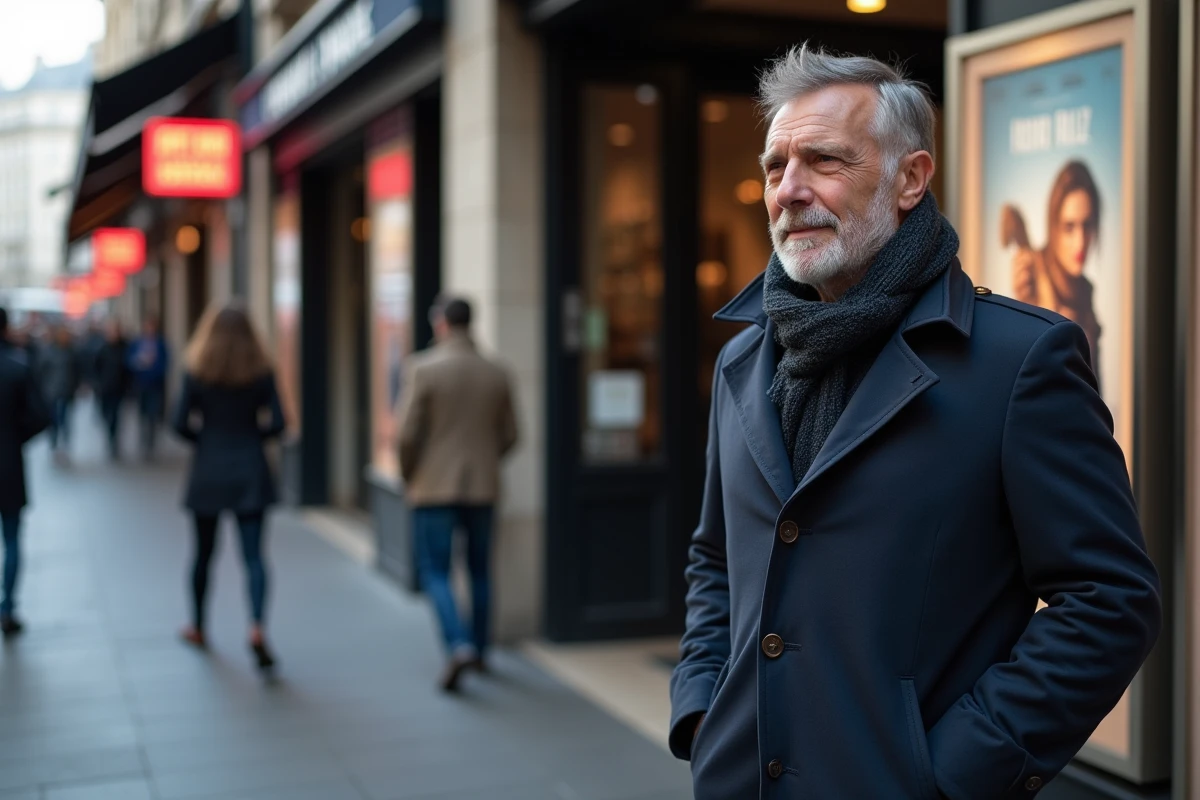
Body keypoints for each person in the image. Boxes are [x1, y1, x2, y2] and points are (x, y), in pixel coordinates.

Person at [668, 46, 1161, 799]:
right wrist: (702, 709)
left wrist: (954, 770)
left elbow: (1109, 601)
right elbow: (716, 560)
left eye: (824, 160)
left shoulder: (1020, 361)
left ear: (910, 178)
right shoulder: (742, 362)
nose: (788, 191)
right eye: (774, 168)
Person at [395, 297, 518, 692]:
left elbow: (406, 435)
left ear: (441, 324)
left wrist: (409, 474)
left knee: (436, 571)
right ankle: (480, 650)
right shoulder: (497, 371)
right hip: (483, 486)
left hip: (433, 487)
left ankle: (458, 645)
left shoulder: (423, 368)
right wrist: (486, 460)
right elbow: (512, 433)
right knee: (480, 570)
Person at [172, 305, 284, 673]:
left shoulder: (198, 369)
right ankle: (256, 628)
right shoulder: (261, 371)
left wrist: (206, 439)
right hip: (251, 467)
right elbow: (280, 423)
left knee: (203, 555)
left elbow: (178, 424)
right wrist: (253, 436)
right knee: (254, 557)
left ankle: (199, 626)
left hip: (209, 469)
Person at [1002, 160, 1103, 383]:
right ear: (1053, 226)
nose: (1080, 242)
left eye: (1087, 225)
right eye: (1069, 227)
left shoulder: (1085, 289)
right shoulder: (1034, 275)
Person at [0, 307, 50, 636]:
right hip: (8, 464)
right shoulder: (17, 368)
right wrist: (15, 438)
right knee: (13, 537)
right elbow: (41, 416)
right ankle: (8, 607)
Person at [37, 325, 81, 460]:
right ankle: (54, 443)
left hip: (67, 391)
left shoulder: (72, 351)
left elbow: (77, 371)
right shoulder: (48, 351)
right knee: (55, 419)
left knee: (65, 419)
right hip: (52, 391)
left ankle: (64, 443)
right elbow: (41, 371)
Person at [128, 317, 169, 459]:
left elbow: (165, 363)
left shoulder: (160, 343)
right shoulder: (137, 342)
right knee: (142, 413)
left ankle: (151, 440)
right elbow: (129, 360)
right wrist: (139, 364)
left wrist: (154, 370)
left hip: (155, 384)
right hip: (141, 383)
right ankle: (143, 438)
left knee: (153, 412)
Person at [93, 319, 129, 460]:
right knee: (106, 414)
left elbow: (128, 368)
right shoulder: (102, 348)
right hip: (105, 387)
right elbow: (96, 367)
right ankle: (109, 435)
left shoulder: (124, 347)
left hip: (118, 388)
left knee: (116, 415)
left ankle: (113, 439)